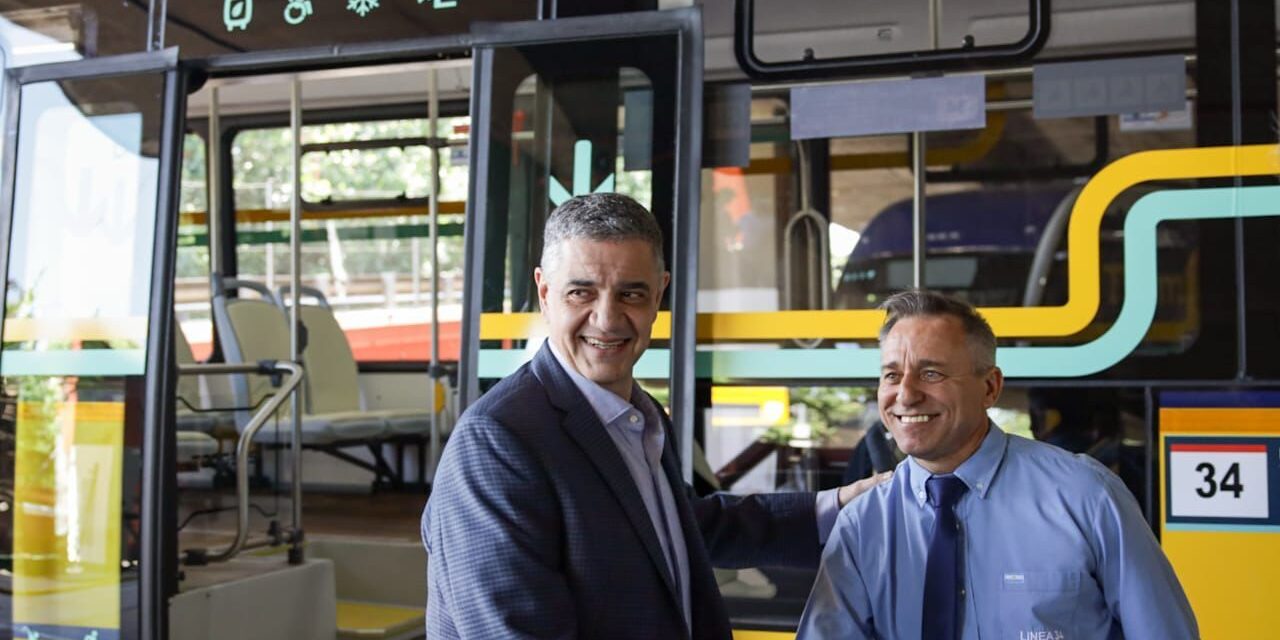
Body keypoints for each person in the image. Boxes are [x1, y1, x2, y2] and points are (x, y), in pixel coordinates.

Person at [423, 193, 887, 639]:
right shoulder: (496, 442)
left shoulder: (636, 416)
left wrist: (843, 506)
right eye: (581, 293)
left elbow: (688, 528)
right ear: (544, 292)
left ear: (659, 295)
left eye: (631, 294)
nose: (606, 319)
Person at [797, 289, 1197, 639]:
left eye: (930, 373)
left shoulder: (1085, 496)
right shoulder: (862, 525)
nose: (905, 395)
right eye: (891, 375)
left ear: (990, 387)